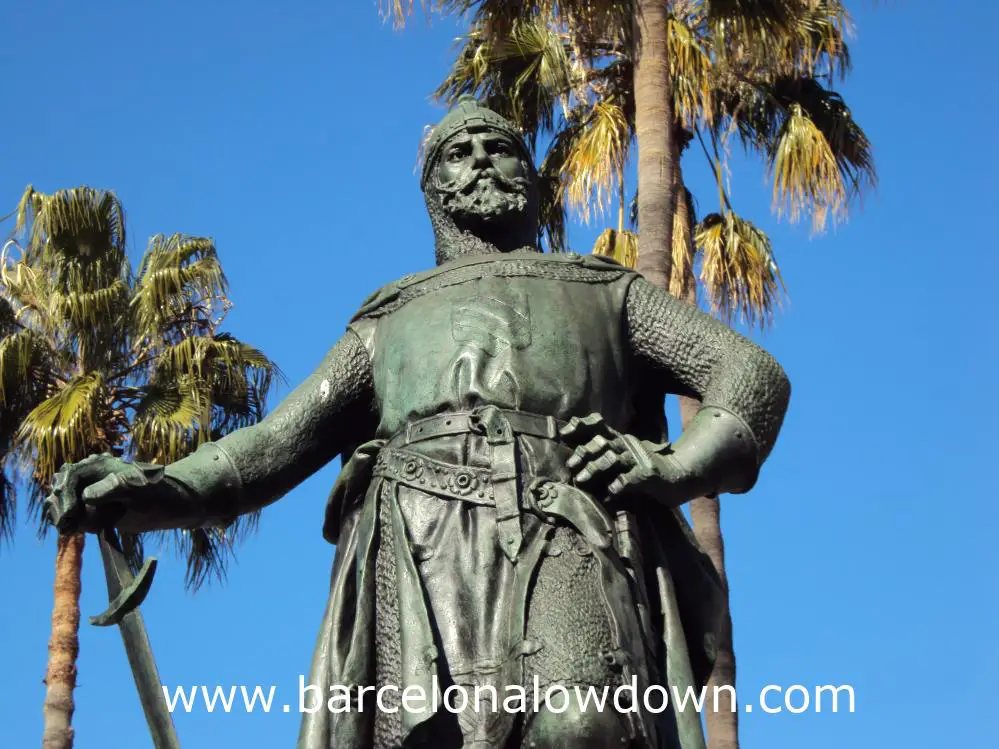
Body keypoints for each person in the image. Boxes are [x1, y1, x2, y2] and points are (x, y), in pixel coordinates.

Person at [46, 96, 791, 749]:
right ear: (433, 189)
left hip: (569, 525)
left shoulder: (603, 290)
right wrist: (150, 487)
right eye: (457, 154)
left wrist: (677, 465)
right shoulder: (390, 317)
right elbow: (273, 445)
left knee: (584, 725)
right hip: (420, 546)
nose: (479, 162)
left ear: (529, 176)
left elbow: (749, 373)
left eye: (499, 148)